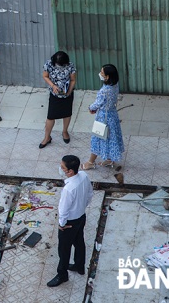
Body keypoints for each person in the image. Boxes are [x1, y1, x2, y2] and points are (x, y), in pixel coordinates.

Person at [47, 154, 94, 287]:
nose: (60, 169)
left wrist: (62, 224)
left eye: (62, 167)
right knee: (79, 242)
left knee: (64, 250)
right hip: (81, 217)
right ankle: (79, 266)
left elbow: (63, 210)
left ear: (70, 171)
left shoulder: (69, 189)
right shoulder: (84, 176)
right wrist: (81, 207)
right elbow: (90, 194)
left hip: (69, 223)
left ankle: (62, 275)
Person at [82, 64, 124, 170]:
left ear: (107, 77)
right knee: (111, 138)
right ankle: (109, 159)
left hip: (103, 118)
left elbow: (97, 104)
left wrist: (90, 108)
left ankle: (90, 162)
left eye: (102, 73)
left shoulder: (104, 91)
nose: (100, 74)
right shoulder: (115, 85)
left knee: (98, 138)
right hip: (112, 114)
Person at [40, 51, 77, 148]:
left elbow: (73, 80)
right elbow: (45, 76)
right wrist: (53, 86)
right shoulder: (49, 64)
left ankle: (65, 131)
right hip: (54, 94)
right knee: (50, 116)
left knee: (67, 113)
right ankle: (47, 137)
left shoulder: (70, 65)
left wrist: (69, 91)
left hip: (67, 94)